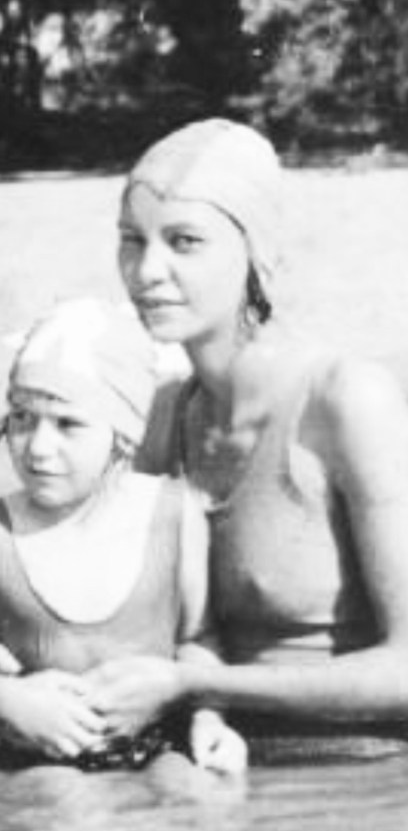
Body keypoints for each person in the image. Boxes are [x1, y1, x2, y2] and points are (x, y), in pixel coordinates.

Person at [82, 117, 408, 753]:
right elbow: (128, 624)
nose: (147, 271)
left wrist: (197, 686)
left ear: (254, 250)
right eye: (131, 240)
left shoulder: (346, 400)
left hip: (361, 778)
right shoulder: (166, 417)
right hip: (216, 763)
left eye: (184, 242)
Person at [0, 298, 247, 773]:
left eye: (68, 424)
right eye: (22, 418)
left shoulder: (173, 513)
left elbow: (198, 638)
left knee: (187, 787)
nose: (38, 447)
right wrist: (4, 697)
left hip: (159, 744)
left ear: (124, 436)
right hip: (39, 755)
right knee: (56, 793)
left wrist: (209, 719)